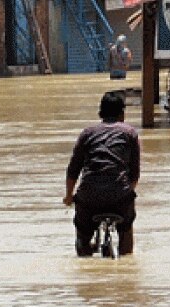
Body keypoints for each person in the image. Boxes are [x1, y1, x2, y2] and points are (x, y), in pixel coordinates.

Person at [63, 91, 140, 257]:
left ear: (101, 113)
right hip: (120, 196)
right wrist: (126, 193)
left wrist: (69, 196)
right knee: (126, 229)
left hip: (89, 196)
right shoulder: (130, 133)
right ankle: (126, 259)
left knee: (82, 235)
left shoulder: (87, 134)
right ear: (122, 113)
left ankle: (84, 253)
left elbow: (73, 170)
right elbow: (134, 174)